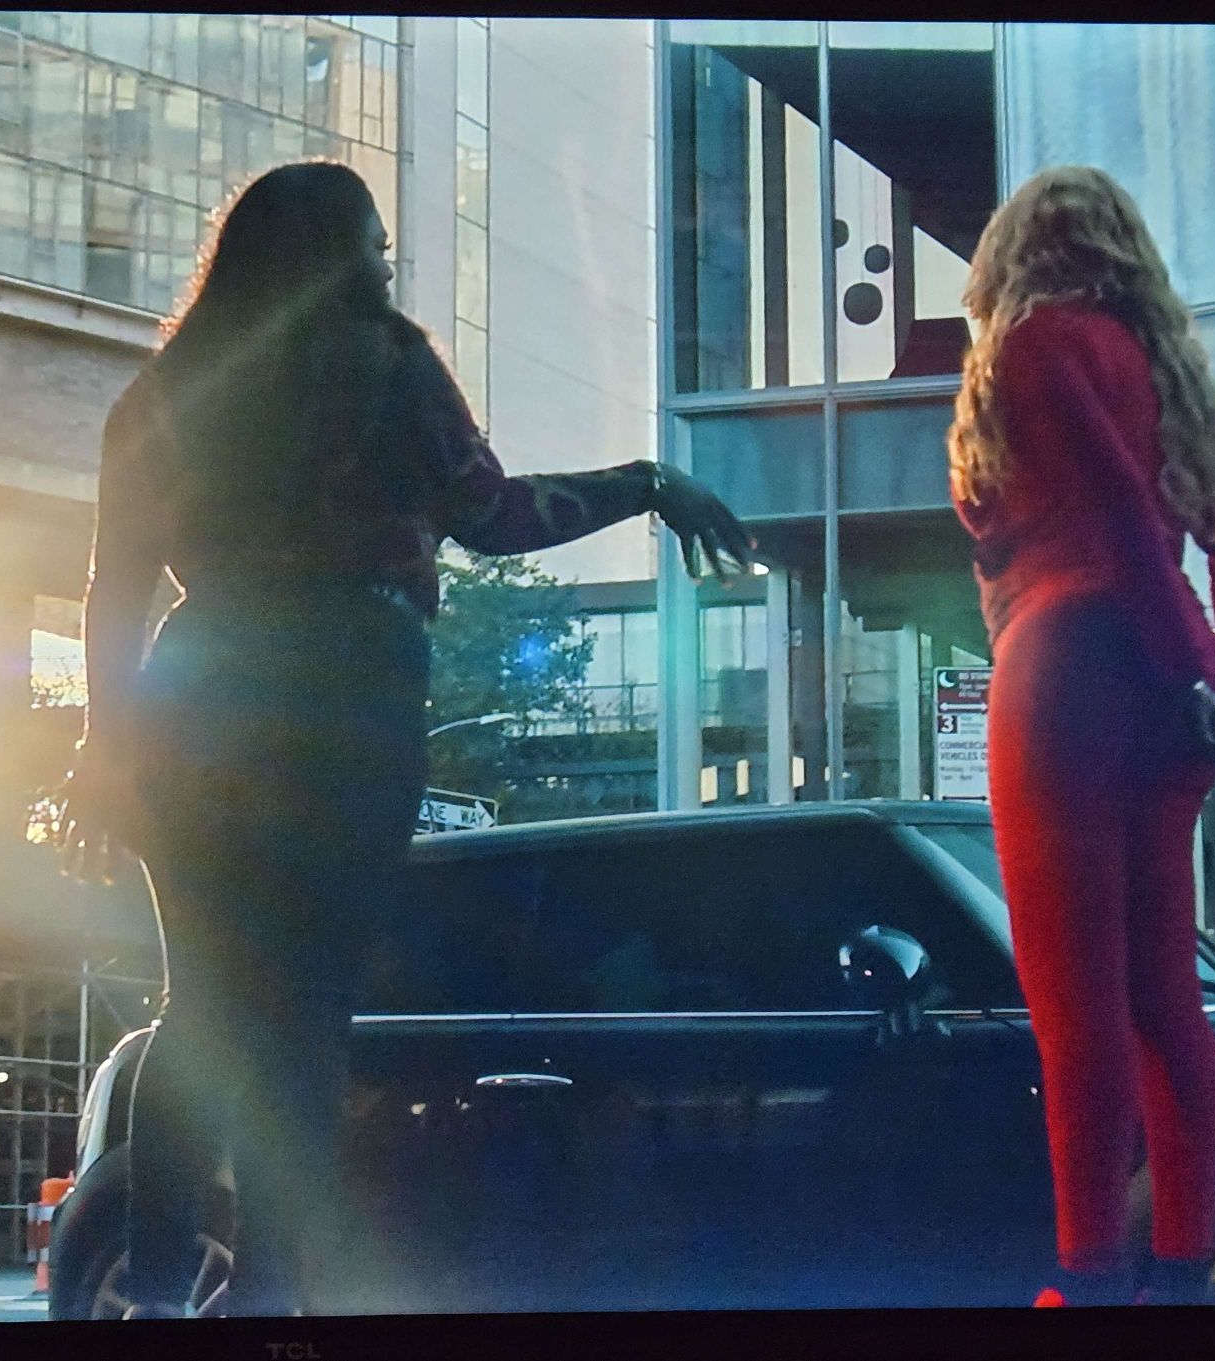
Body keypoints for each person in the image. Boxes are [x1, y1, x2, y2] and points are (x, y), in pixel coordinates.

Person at [55, 161, 753, 1319]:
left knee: (203, 1007)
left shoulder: (165, 395)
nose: (387, 265)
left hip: (199, 695)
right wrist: (647, 483)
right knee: (305, 1017)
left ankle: (161, 1294)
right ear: (339, 258)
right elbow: (495, 514)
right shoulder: (386, 366)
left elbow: (110, 590)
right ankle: (271, 1300)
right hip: (345, 698)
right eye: (375, 247)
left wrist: (105, 743)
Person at [950, 165, 1215, 1307]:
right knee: (1165, 989)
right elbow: (1170, 529)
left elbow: (1106, 515)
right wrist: (1202, 668)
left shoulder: (1030, 347)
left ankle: (1085, 1274)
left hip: (1061, 673)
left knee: (1075, 1005)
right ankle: (1183, 1253)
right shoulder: (1166, 374)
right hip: (1163, 687)